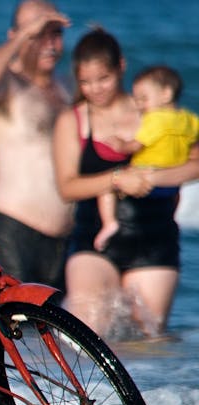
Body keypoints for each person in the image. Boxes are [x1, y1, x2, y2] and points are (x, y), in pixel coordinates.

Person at [51, 28, 199, 338]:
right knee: (87, 330)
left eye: (103, 79)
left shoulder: (153, 110)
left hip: (154, 239)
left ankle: (157, 391)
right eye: (85, 82)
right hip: (95, 240)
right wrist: (118, 179)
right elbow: (67, 187)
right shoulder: (73, 119)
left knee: (148, 340)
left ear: (121, 66)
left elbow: (194, 165)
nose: (95, 89)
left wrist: (150, 177)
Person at [0, 0, 73, 291]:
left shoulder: (67, 87)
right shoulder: (9, 86)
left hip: (66, 238)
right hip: (17, 231)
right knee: (16, 326)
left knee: (58, 332)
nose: (48, 43)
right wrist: (28, 32)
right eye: (37, 33)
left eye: (55, 33)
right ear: (16, 35)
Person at [95, 66, 199, 252]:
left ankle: (109, 222)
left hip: (145, 170)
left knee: (109, 184)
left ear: (166, 94)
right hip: (171, 179)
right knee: (174, 197)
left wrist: (120, 145)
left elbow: (137, 145)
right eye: (137, 100)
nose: (140, 105)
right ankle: (172, 218)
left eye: (143, 99)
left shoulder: (154, 119)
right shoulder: (189, 119)